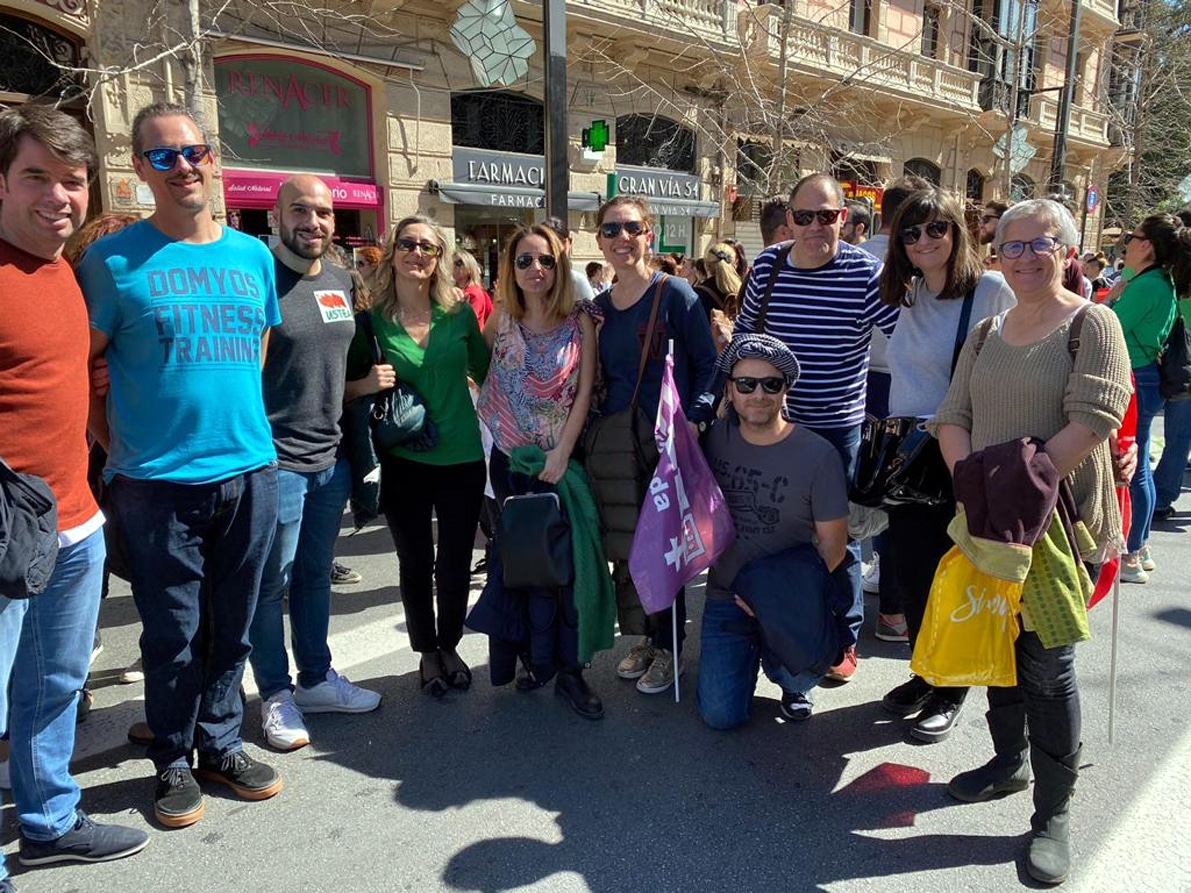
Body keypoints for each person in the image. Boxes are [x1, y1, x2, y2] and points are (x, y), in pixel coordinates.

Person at [78, 102, 284, 829]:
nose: (184, 165)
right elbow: (83, 369)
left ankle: (219, 742)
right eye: (164, 156)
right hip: (156, 482)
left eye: (194, 150)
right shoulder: (110, 260)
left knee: (233, 627)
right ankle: (171, 756)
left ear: (212, 157)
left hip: (250, 472)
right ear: (139, 168)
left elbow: (255, 349)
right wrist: (116, 444)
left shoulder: (253, 256)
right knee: (170, 631)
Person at [932, 198, 1131, 885]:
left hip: (1056, 524)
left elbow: (1096, 414)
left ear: (1066, 250)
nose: (1020, 257)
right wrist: (972, 481)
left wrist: (1021, 482)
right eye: (1008, 246)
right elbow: (951, 415)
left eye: (1037, 244)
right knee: (996, 644)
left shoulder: (1090, 321)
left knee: (1046, 666)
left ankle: (1052, 813)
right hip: (988, 516)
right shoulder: (986, 330)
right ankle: (1007, 763)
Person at [0, 103, 149, 888]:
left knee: (56, 686)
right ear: (1, 182)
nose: (58, 195)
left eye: (72, 180)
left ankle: (50, 820)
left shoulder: (67, 272)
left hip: (73, 523)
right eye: (36, 177)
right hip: (3, 535)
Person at [735, 172, 899, 684]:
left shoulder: (866, 274)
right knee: (769, 528)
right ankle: (775, 618)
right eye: (803, 217)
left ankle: (842, 635)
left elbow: (911, 337)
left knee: (838, 537)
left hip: (835, 429)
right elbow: (743, 340)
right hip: (772, 424)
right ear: (788, 221)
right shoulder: (768, 266)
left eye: (825, 216)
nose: (814, 227)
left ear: (843, 219)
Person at [246, 176, 382, 753]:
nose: (314, 222)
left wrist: (363, 385)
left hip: (331, 460)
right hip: (275, 462)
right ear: (275, 215)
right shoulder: (257, 276)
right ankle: (275, 693)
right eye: (300, 209)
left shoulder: (340, 279)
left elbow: (336, 365)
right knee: (266, 585)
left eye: (324, 212)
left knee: (312, 578)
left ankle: (317, 678)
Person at [877, 186, 1016, 742]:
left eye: (936, 228)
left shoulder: (989, 290)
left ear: (958, 230)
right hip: (907, 453)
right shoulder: (908, 292)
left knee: (952, 576)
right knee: (910, 575)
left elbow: (1017, 362)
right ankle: (925, 670)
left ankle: (951, 688)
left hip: (960, 452)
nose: (924, 240)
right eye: (911, 232)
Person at [346, 216, 490, 697]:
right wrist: (365, 385)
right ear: (393, 253)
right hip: (403, 459)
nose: (417, 254)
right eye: (408, 244)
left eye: (428, 247)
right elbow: (341, 385)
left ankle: (449, 644)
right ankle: (426, 652)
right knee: (414, 560)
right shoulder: (371, 318)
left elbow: (490, 373)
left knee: (454, 560)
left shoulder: (459, 313)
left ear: (440, 259)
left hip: (462, 457)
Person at [592, 195, 717, 695]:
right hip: (617, 445)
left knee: (666, 546)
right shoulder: (597, 309)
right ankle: (645, 638)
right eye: (611, 229)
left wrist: (696, 418)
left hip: (667, 444)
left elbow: (709, 363)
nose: (622, 237)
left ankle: (669, 650)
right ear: (600, 239)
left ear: (649, 234)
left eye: (632, 228)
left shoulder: (677, 295)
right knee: (628, 549)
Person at [476, 224, 602, 717]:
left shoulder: (580, 319)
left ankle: (570, 671)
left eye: (545, 260)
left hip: (558, 463)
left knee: (564, 572)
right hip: (508, 461)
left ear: (559, 265)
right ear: (510, 267)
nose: (536, 269)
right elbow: (488, 377)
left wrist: (560, 454)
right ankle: (533, 659)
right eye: (525, 260)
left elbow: (585, 391)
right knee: (520, 568)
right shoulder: (501, 318)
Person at [698, 335, 850, 726]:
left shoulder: (819, 455)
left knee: (798, 671)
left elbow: (834, 548)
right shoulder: (711, 439)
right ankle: (747, 657)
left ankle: (791, 677)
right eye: (746, 384)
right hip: (726, 594)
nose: (758, 394)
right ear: (729, 390)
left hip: (788, 596)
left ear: (786, 390)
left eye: (771, 383)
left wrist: (775, 604)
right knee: (720, 715)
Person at [855, 175, 928, 640]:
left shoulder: (861, 259)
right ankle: (895, 611)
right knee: (897, 491)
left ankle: (878, 589)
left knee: (870, 487)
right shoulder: (909, 264)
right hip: (902, 385)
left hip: (870, 382)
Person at [1109, 214, 1183, 581]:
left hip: (1136, 378)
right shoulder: (1158, 281)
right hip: (1146, 377)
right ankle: (1141, 544)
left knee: (1132, 465)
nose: (1126, 242)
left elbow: (1106, 325)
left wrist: (1112, 297)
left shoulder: (1147, 285)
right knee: (1138, 467)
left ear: (1147, 245)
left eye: (1132, 236)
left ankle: (1133, 553)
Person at [1152, 209, 1191, 522]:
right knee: (1179, 437)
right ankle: (1162, 495)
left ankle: (1159, 495)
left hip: (1161, 365)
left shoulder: (1164, 278)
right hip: (1184, 372)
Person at [542, 215, 595, 302]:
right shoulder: (534, 278)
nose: (556, 248)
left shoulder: (576, 281)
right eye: (548, 243)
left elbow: (591, 312)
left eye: (561, 242)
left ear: (569, 243)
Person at [452, 247, 494, 329]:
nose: (454, 266)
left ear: (469, 269)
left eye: (459, 263)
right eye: (452, 263)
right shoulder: (455, 290)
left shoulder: (474, 293)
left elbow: (466, 321)